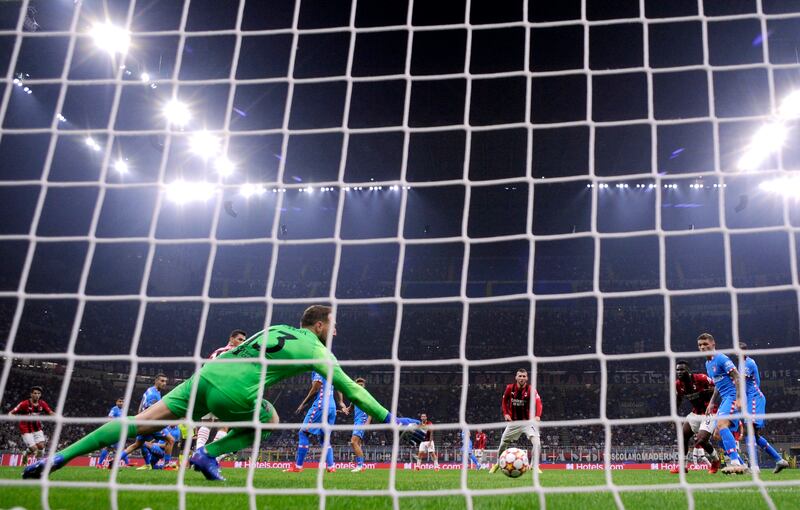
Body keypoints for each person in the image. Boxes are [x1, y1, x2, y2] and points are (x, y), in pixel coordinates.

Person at [23, 305, 418, 481]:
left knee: (140, 424)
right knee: (270, 420)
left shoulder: (277, 327)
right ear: (317, 325)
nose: (335, 331)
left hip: (208, 374)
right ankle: (207, 453)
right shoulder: (318, 349)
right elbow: (350, 388)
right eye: (332, 325)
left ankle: (61, 456)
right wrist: (390, 419)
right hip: (233, 391)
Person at [698, 333, 748, 474]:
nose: (702, 347)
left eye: (705, 344)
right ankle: (743, 465)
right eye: (700, 345)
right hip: (725, 398)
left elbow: (737, 377)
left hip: (733, 396)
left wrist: (738, 398)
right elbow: (718, 386)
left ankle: (735, 463)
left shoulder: (721, 359)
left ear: (713, 344)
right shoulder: (708, 364)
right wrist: (712, 403)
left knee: (721, 425)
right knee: (717, 435)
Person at [284, 369, 349, 473]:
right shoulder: (330, 369)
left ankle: (298, 466)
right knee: (324, 438)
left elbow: (316, 388)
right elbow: (339, 385)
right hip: (331, 407)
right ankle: (331, 466)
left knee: (303, 433)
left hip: (321, 405)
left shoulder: (319, 367)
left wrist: (303, 403)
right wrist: (341, 402)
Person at [738, 343, 789, 474]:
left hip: (755, 399)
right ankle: (779, 460)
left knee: (750, 432)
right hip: (750, 400)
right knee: (754, 435)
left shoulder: (748, 363)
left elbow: (738, 381)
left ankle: (754, 467)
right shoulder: (741, 364)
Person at [195, 329, 248, 453]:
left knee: (206, 423)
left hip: (207, 390)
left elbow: (205, 369)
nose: (242, 342)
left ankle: (198, 453)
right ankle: (210, 456)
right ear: (231, 339)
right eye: (240, 339)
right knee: (223, 425)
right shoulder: (237, 354)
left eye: (244, 340)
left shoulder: (217, 351)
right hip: (225, 391)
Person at [489, 368, 542, 475]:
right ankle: (498, 464)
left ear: (527, 378)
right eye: (520, 376)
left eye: (524, 376)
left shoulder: (531, 389)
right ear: (516, 377)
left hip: (528, 422)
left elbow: (538, 403)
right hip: (514, 423)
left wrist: (537, 415)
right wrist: (506, 413)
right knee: (503, 445)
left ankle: (534, 466)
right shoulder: (510, 388)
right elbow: (504, 402)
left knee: (537, 443)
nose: (522, 378)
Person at [671, 360, 720, 474]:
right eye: (677, 370)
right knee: (683, 435)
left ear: (688, 371)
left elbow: (717, 388)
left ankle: (715, 460)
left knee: (700, 440)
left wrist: (708, 393)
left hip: (710, 412)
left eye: (682, 369)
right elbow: (678, 399)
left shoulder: (701, 378)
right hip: (695, 413)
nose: (679, 372)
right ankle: (682, 466)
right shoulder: (678, 384)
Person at [122, 374, 169, 470]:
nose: (164, 383)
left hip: (143, 421)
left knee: (137, 444)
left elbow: (140, 407)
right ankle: (166, 465)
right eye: (162, 381)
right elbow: (150, 410)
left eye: (165, 381)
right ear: (156, 380)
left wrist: (139, 418)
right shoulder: (153, 394)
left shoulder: (150, 390)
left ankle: (115, 461)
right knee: (171, 440)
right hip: (150, 423)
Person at [9, 386, 54, 465]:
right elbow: (11, 413)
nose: (37, 395)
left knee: (41, 446)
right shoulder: (24, 404)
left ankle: (25, 453)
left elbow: (51, 413)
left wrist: (59, 417)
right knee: (35, 449)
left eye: (39, 393)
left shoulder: (42, 403)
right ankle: (39, 465)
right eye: (35, 393)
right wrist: (13, 417)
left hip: (37, 428)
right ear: (31, 394)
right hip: (25, 429)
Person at [97, 398, 129, 469]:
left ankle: (127, 463)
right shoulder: (114, 409)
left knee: (115, 448)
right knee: (111, 448)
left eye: (122, 402)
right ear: (116, 402)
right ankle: (127, 463)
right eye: (119, 401)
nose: (121, 403)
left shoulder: (123, 410)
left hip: (118, 431)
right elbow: (110, 417)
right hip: (113, 431)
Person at [349, 377, 371, 473]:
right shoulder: (354, 397)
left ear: (364, 386)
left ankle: (360, 465)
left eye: (362, 384)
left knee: (353, 442)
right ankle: (360, 466)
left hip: (362, 421)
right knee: (357, 444)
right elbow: (349, 409)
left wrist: (367, 422)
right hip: (356, 421)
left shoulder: (366, 395)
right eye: (358, 384)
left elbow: (371, 409)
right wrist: (344, 410)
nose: (360, 386)